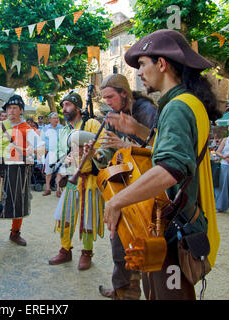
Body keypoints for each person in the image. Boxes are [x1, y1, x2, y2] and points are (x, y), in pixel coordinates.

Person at [102, 29, 221, 300]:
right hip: (184, 225)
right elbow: (177, 151)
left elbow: (171, 168)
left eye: (143, 64)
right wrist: (141, 132)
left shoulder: (177, 107)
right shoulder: (189, 103)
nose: (139, 73)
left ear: (162, 64)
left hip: (173, 232)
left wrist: (116, 201)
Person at [93, 74, 157, 300]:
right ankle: (123, 289)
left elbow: (159, 152)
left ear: (124, 93)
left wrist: (125, 144)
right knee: (118, 240)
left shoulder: (146, 111)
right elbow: (114, 154)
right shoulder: (115, 114)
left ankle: (132, 291)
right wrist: (98, 153)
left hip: (148, 188)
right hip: (125, 183)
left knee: (141, 243)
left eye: (110, 96)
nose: (107, 102)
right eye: (104, 98)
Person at [0, 94, 45, 248]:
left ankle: (15, 232)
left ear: (21, 111)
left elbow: (41, 148)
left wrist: (33, 150)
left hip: (18, 170)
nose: (11, 111)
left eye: (14, 108)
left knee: (17, 200)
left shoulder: (28, 129)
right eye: (9, 108)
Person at [48, 92, 104, 270]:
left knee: (88, 219)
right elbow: (65, 157)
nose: (64, 109)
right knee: (64, 217)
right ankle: (65, 250)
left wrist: (90, 151)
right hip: (72, 180)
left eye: (67, 105)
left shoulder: (92, 124)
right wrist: (60, 176)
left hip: (90, 180)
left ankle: (87, 253)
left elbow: (104, 151)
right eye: (63, 105)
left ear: (78, 108)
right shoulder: (66, 130)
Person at [40, 112, 64, 197]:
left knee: (59, 172)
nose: (56, 119)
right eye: (54, 118)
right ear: (50, 119)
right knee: (48, 172)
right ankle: (48, 189)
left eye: (57, 118)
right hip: (50, 152)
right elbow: (42, 140)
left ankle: (58, 190)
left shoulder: (61, 128)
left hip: (60, 153)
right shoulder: (45, 128)